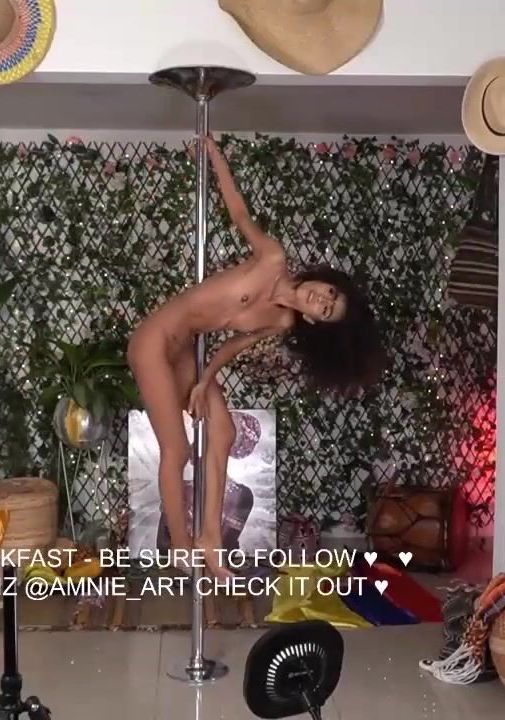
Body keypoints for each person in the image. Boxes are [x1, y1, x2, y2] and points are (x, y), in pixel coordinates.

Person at [128, 136, 386, 578]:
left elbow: (231, 346)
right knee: (178, 448)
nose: (321, 299)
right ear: (322, 279)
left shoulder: (282, 321)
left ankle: (210, 539)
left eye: (326, 309)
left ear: (315, 321)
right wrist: (216, 157)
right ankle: (183, 549)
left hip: (185, 348)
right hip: (155, 338)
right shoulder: (272, 259)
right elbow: (239, 213)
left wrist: (205, 380)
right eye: (329, 292)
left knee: (223, 431)